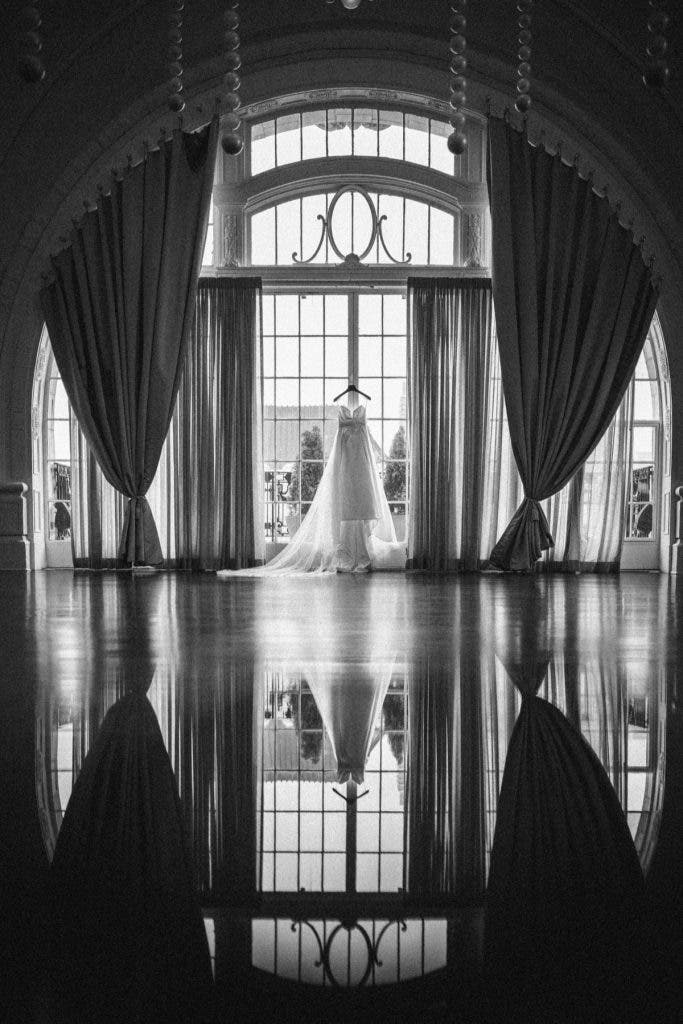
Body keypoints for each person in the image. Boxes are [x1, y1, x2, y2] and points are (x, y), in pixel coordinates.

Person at [218, 390, 406, 576]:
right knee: (344, 505)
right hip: (344, 460)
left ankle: (360, 554)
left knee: (361, 507)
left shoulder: (363, 407)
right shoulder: (344, 410)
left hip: (361, 463)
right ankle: (346, 554)